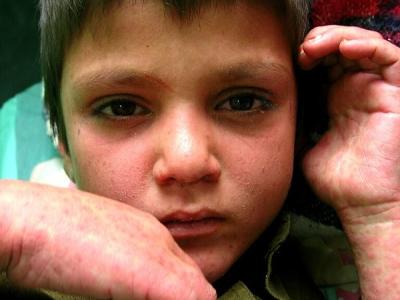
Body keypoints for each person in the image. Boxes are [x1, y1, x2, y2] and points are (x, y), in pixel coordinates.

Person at [1, 0, 399, 299]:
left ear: (301, 119)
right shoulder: (20, 262)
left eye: (243, 102)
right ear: (63, 141)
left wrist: (380, 217)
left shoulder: (339, 259)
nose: (187, 161)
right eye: (122, 107)